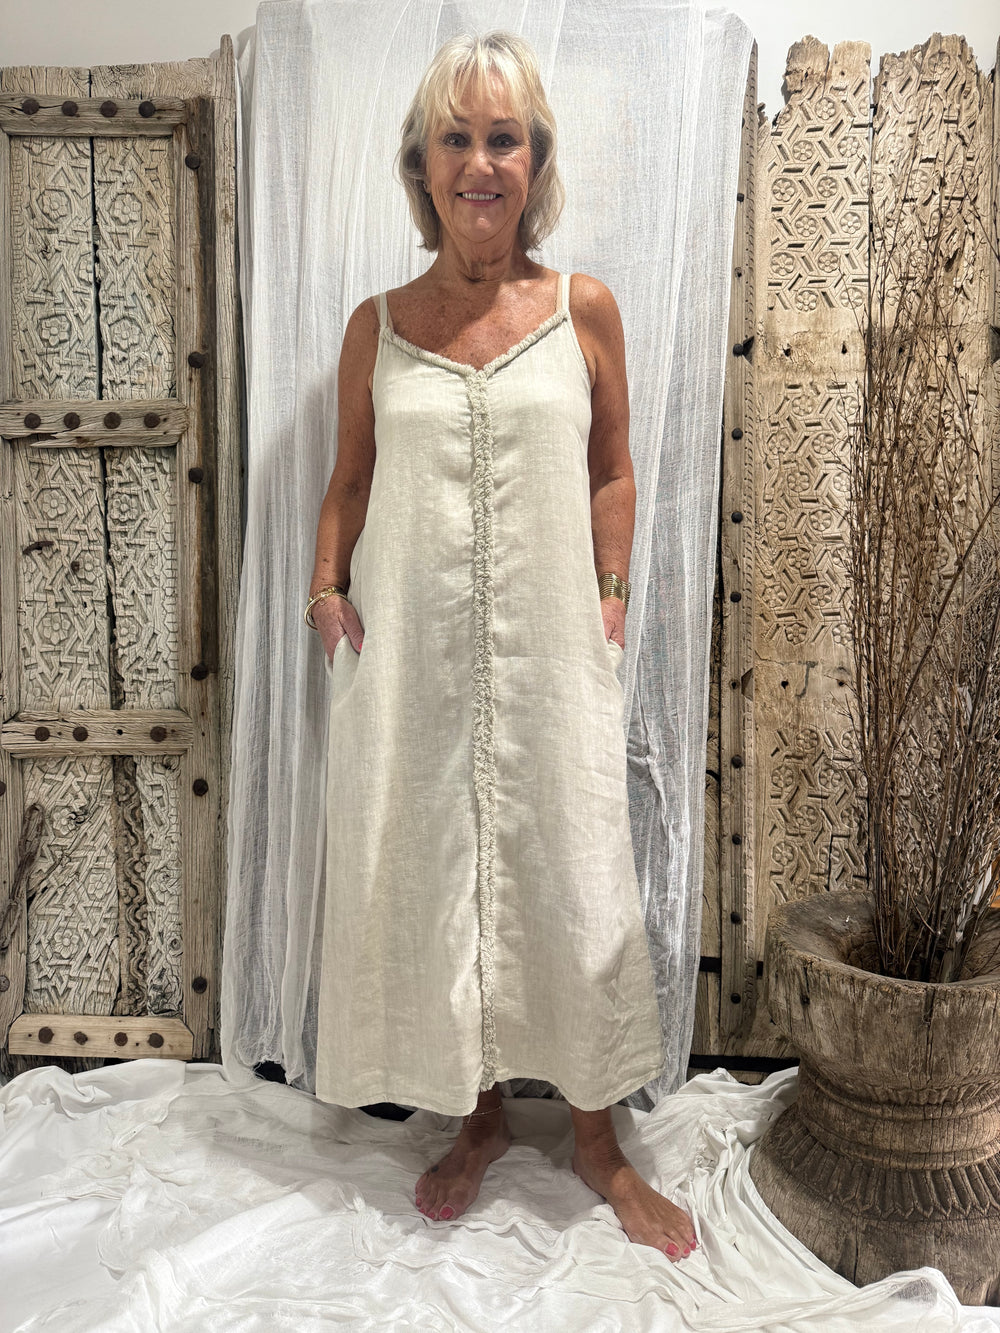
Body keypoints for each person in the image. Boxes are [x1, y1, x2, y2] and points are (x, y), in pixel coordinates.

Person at [306, 31, 697, 1262]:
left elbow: (613, 470)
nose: (480, 162)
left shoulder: (583, 310)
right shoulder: (377, 327)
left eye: (503, 138)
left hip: (551, 652)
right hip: (410, 654)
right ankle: (474, 1117)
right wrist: (324, 589)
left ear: (535, 161)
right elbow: (349, 479)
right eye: (456, 138)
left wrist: (613, 590)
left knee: (569, 873)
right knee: (438, 870)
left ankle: (595, 1141)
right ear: (421, 164)